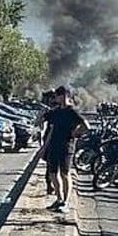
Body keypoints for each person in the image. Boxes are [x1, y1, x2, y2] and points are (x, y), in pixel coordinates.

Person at [41, 86, 89, 215]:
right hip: (53, 146)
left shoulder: (72, 111)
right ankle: (59, 199)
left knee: (64, 174)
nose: (56, 97)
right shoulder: (55, 112)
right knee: (52, 174)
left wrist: (76, 133)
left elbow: (86, 126)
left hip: (66, 147)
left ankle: (65, 202)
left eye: (58, 95)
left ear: (65, 96)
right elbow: (46, 126)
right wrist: (44, 147)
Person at [35, 90, 57, 196]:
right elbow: (38, 122)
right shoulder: (50, 112)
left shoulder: (59, 111)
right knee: (50, 166)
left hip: (57, 141)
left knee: (55, 168)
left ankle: (54, 187)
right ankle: (50, 186)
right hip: (50, 141)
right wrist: (43, 112)